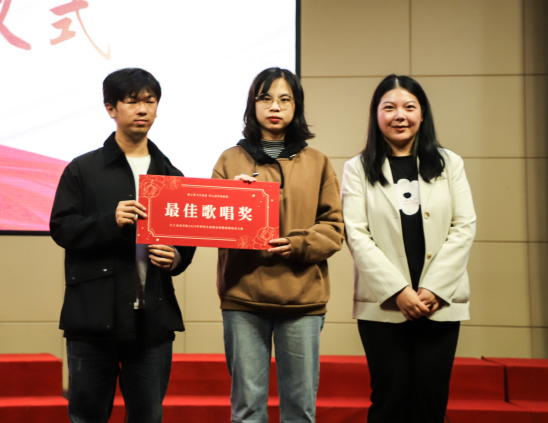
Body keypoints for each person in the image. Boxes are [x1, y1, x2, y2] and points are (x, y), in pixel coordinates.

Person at [49, 67, 196, 423]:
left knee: (148, 416)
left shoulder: (171, 175)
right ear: (111, 108)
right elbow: (61, 228)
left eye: (150, 101)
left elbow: (186, 240)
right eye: (132, 101)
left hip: (151, 321)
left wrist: (176, 257)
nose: (142, 109)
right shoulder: (83, 170)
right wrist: (109, 221)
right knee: (86, 416)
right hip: (93, 318)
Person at [211, 67, 344, 423]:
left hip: (302, 300)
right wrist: (233, 200)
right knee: (247, 409)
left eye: (285, 99)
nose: (275, 107)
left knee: (300, 410)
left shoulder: (318, 162)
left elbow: (334, 228)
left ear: (296, 106)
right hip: (243, 297)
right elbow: (211, 224)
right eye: (266, 98)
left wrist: (299, 244)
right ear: (252, 105)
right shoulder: (229, 160)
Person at [341, 74, 476, 423]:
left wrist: (434, 288)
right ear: (376, 115)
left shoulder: (450, 163)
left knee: (430, 402)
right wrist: (398, 290)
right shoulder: (357, 169)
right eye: (389, 108)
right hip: (384, 305)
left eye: (409, 107)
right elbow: (357, 234)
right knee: (389, 400)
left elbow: (464, 227)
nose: (399, 115)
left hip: (439, 302)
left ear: (422, 113)